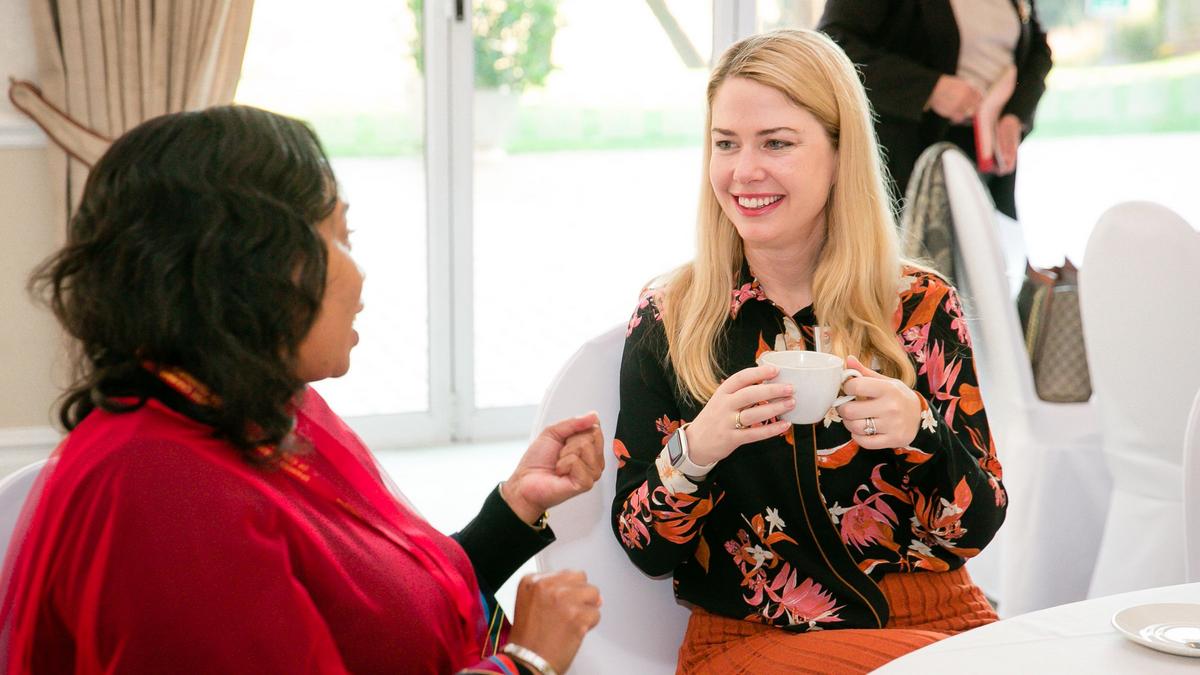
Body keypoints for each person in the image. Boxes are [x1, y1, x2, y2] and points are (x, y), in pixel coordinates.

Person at [0, 106, 603, 675]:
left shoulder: (260, 405)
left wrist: (514, 509)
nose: (359, 273)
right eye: (340, 237)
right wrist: (527, 661)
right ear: (253, 266)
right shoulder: (163, 498)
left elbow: (379, 619)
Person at [611, 30, 1006, 673]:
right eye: (725, 143)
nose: (744, 171)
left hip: (941, 620)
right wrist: (697, 449)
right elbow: (644, 548)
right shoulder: (672, 319)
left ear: (839, 155)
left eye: (776, 143)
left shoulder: (919, 305)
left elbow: (976, 528)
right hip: (754, 639)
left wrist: (922, 433)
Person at [818, 0, 1052, 219]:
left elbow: (1038, 49)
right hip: (906, 157)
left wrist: (1015, 115)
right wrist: (930, 89)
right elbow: (833, 43)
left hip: (989, 157)